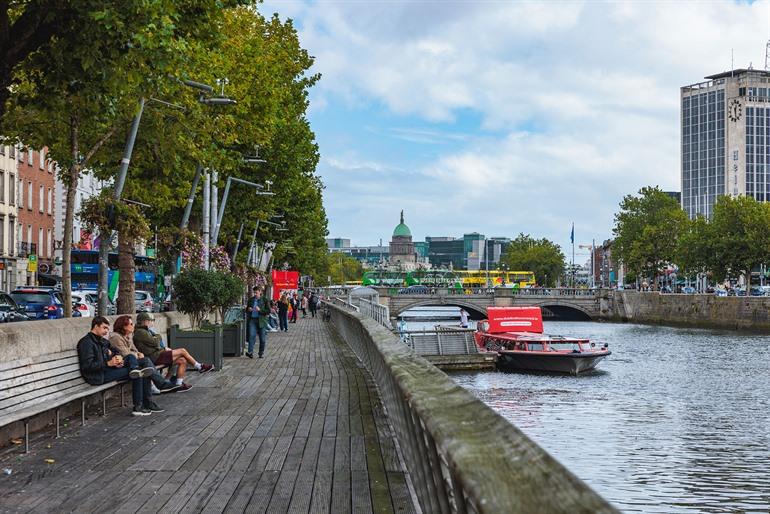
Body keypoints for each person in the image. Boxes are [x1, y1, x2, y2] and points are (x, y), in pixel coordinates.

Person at [77, 316, 160, 416]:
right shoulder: (86, 343)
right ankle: (138, 407)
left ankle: (145, 399)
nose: (106, 331)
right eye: (104, 328)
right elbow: (87, 366)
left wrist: (118, 358)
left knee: (130, 358)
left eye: (108, 328)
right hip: (98, 375)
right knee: (139, 372)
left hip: (108, 369)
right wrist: (108, 363)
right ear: (96, 326)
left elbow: (116, 351)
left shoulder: (103, 341)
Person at [133, 312, 213, 391]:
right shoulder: (140, 332)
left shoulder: (146, 331)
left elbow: (154, 343)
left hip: (158, 354)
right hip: (154, 357)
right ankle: (199, 366)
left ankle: (178, 384)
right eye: (150, 320)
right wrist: (157, 336)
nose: (151, 322)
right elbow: (155, 342)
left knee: (182, 360)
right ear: (144, 321)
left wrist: (159, 342)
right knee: (182, 351)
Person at [109, 315, 180, 395]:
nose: (133, 326)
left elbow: (135, 349)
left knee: (145, 367)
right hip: (122, 364)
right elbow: (125, 354)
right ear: (124, 326)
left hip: (132, 362)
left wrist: (138, 354)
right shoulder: (116, 337)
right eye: (131, 324)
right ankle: (161, 385)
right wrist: (137, 354)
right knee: (145, 362)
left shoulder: (127, 336)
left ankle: (151, 392)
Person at [246, 286, 270, 358]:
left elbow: (268, 311)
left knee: (262, 339)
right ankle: (250, 352)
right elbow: (247, 309)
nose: (255, 294)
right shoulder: (251, 300)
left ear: (260, 292)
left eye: (256, 292)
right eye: (254, 292)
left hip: (261, 321)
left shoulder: (265, 300)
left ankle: (261, 352)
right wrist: (248, 309)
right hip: (252, 320)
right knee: (251, 335)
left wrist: (260, 310)